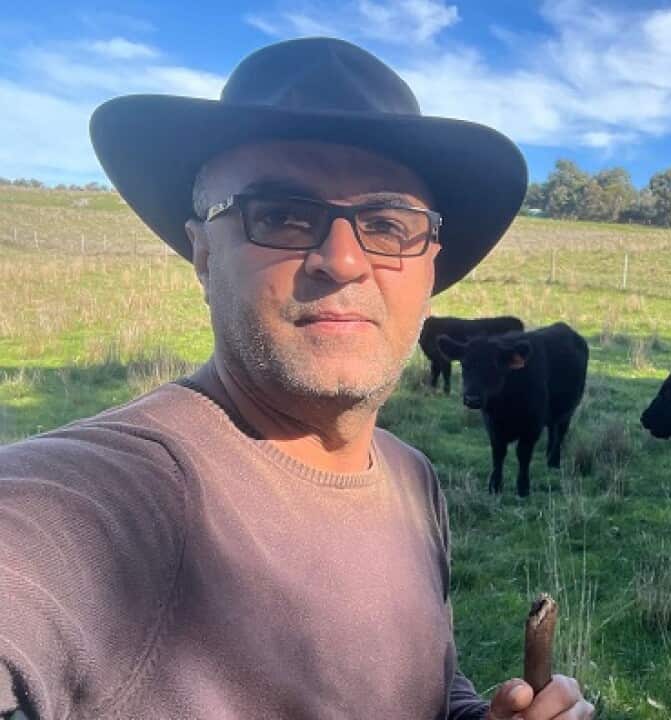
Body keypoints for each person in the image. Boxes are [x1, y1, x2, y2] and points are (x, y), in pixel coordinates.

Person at [0, 37, 593, 720]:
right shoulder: (113, 498)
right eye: (280, 214)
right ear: (201, 252)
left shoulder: (412, 479)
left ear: (431, 264)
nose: (341, 260)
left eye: (388, 223)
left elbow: (432, 687)